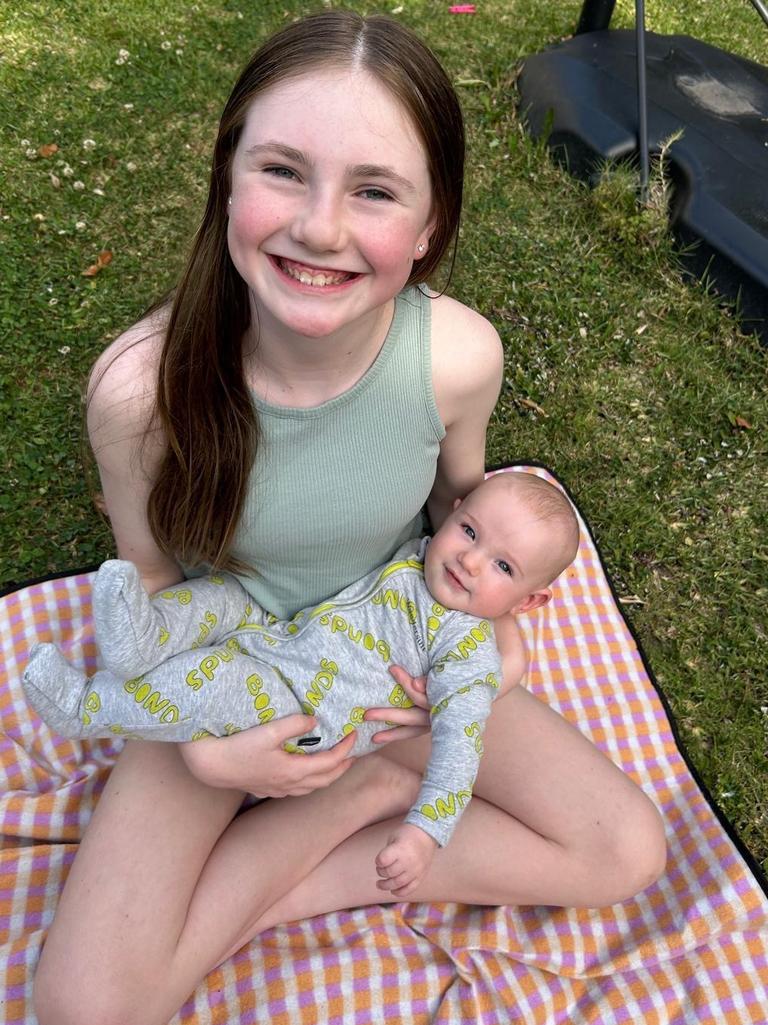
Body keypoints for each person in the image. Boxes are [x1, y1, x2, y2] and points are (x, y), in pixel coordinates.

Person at [31, 12, 666, 1025]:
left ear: (429, 230)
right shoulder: (137, 393)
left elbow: (460, 506)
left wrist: (492, 638)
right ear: (227, 183)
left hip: (393, 650)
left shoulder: (457, 359)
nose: (321, 227)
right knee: (80, 1008)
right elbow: (148, 585)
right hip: (231, 668)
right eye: (283, 170)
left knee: (626, 848)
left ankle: (349, 804)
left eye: (373, 190)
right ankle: (352, 802)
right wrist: (210, 754)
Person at [24, 471, 580, 895]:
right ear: (453, 512)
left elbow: (460, 750)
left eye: (504, 568)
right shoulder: (419, 555)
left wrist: (424, 833)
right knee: (224, 595)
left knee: (214, 680)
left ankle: (86, 706)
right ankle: (141, 642)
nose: (471, 562)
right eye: (469, 532)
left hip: (298, 708)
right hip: (283, 634)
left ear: (529, 602)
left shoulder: (466, 655)